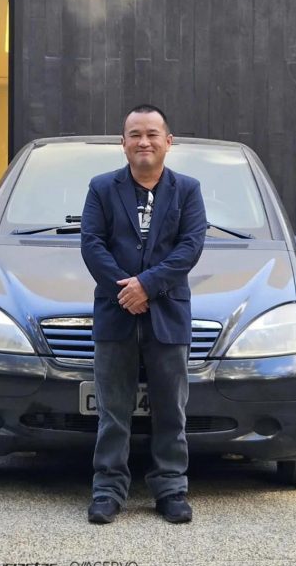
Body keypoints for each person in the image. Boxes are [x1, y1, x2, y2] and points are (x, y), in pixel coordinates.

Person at [80, 104, 206, 524]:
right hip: (115, 314)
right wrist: (126, 290)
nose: (143, 141)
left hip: (167, 315)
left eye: (152, 133)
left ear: (168, 141)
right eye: (135, 134)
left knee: (170, 411)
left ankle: (171, 489)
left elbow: (190, 247)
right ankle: (107, 490)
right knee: (113, 412)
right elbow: (92, 244)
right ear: (123, 143)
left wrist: (147, 286)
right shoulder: (102, 188)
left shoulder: (188, 190)